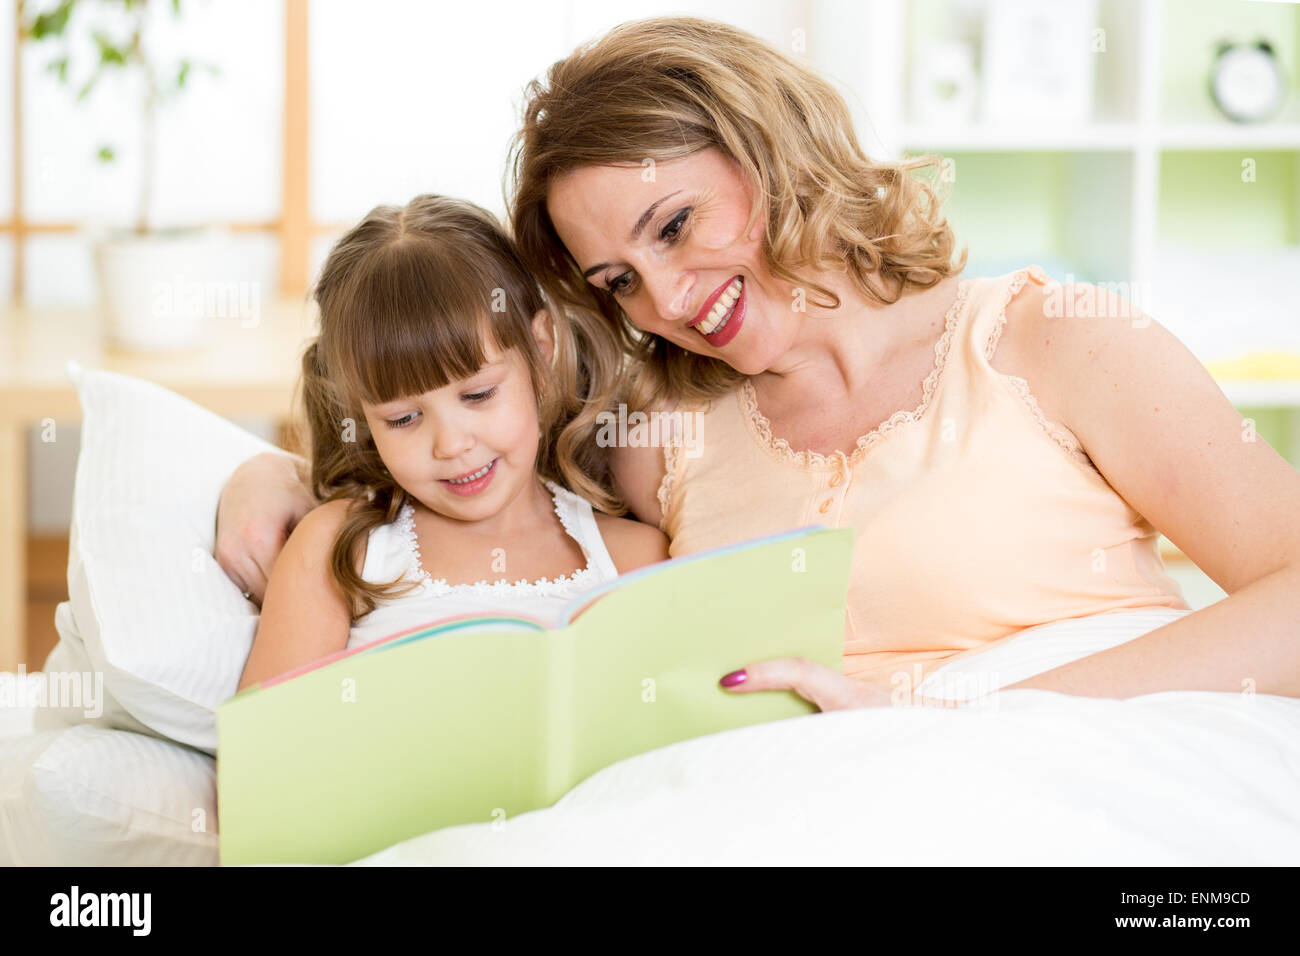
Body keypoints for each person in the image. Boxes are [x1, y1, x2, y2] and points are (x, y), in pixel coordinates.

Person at [221, 18, 1300, 709]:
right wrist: (270, 474)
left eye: (676, 222)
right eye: (617, 280)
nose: (670, 298)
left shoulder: (1052, 338)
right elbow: (451, 426)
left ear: (765, 140)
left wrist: (964, 722)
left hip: (1078, 796)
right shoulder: (661, 437)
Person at [237, 194, 667, 691]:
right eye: (402, 419)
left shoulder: (634, 559)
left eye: (479, 394)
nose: (450, 444)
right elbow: (263, 753)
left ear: (541, 352)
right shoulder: (341, 552)